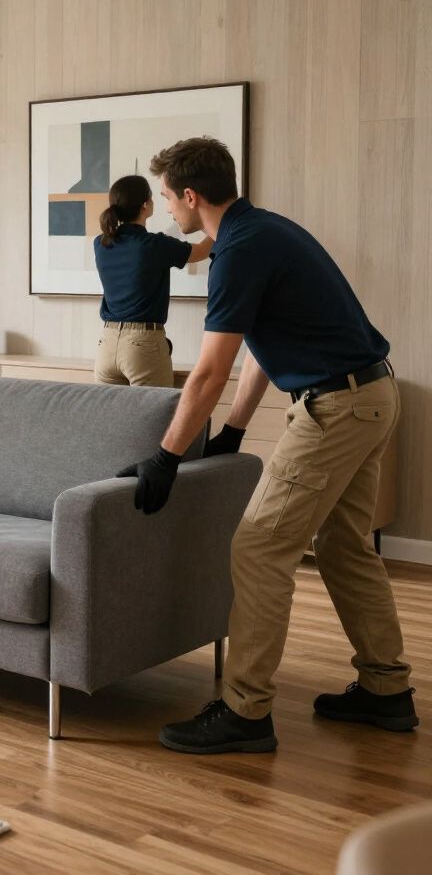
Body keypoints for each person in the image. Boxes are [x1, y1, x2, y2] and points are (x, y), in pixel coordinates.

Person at [116, 136, 415, 754]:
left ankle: (244, 711)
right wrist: (233, 430)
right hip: (368, 395)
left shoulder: (238, 252)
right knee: (344, 546)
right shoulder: (262, 230)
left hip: (337, 407)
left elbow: (209, 372)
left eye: (168, 198)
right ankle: (386, 690)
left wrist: (166, 457)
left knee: (258, 548)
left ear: (191, 196)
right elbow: (258, 343)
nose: (167, 209)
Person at [93, 174, 213, 387]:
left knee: (109, 411)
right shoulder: (154, 245)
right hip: (143, 347)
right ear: (145, 205)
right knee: (156, 411)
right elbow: (202, 251)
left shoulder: (100, 243)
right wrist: (220, 223)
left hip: (106, 345)